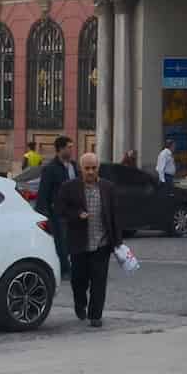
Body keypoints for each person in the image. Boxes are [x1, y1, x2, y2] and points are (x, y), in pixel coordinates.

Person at [55, 152, 124, 328]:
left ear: (98, 168)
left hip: (102, 243)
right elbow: (60, 210)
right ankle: (80, 303)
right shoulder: (69, 187)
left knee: (99, 280)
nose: (91, 172)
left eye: (94, 168)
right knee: (79, 280)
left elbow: (115, 215)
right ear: (81, 169)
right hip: (79, 242)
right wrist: (77, 214)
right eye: (87, 168)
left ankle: (96, 315)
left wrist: (118, 241)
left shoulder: (108, 188)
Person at [37, 137, 79, 280]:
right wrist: (43, 213)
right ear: (60, 149)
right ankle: (64, 270)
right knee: (61, 241)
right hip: (58, 213)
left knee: (74, 241)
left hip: (74, 211)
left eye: (72, 147)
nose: (71, 150)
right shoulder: (50, 169)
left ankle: (74, 267)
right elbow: (43, 192)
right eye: (69, 147)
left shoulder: (74, 165)